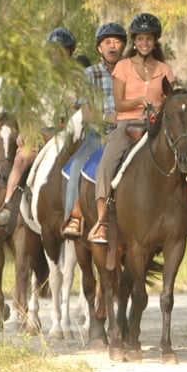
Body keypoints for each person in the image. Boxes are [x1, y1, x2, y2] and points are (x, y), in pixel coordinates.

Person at [87, 12, 173, 245]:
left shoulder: (165, 69)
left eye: (149, 39)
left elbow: (169, 100)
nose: (144, 43)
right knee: (105, 166)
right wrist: (138, 102)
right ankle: (103, 221)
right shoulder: (123, 67)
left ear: (155, 41)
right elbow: (118, 103)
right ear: (134, 41)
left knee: (185, 159)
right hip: (127, 125)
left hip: (156, 126)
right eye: (140, 39)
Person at [0, 27, 78, 227]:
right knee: (21, 158)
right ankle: (8, 205)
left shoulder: (77, 79)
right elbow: (25, 109)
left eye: (62, 51)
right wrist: (24, 130)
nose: (57, 55)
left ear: (70, 52)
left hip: (67, 134)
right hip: (40, 132)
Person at [60, 21, 125, 239]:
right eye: (108, 42)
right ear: (100, 48)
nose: (112, 46)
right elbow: (86, 113)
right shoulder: (89, 74)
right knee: (77, 165)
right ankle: (73, 218)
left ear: (123, 47)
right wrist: (107, 117)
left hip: (128, 131)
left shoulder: (130, 71)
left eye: (117, 42)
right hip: (100, 133)